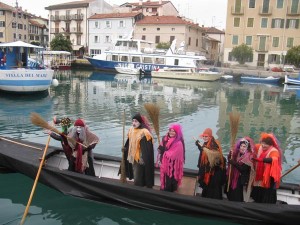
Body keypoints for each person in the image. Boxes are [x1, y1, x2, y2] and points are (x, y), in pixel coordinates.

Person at [123, 113, 154, 188]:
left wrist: (142, 158)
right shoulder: (131, 130)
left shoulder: (144, 132)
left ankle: (138, 189)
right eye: (133, 121)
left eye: (136, 121)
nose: (134, 123)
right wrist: (125, 149)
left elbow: (146, 148)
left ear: (140, 122)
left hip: (139, 158)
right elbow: (129, 142)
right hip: (131, 156)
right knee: (135, 174)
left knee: (138, 177)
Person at [251, 133, 282, 203]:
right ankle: (257, 200)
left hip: (269, 176)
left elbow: (273, 159)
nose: (263, 145)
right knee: (258, 187)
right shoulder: (259, 147)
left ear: (271, 145)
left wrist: (261, 160)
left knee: (267, 191)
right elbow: (251, 147)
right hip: (259, 174)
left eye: (266, 144)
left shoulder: (274, 151)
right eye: (262, 143)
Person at [195, 128, 226, 199]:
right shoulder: (206, 143)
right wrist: (199, 146)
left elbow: (216, 158)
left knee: (213, 188)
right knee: (207, 186)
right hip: (209, 170)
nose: (205, 138)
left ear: (210, 136)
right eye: (204, 136)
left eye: (206, 136)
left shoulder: (214, 144)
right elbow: (204, 152)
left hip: (214, 172)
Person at [225, 137, 255, 202]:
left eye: (244, 146)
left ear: (247, 147)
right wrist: (230, 155)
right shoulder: (238, 153)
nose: (242, 148)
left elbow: (243, 169)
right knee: (231, 192)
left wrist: (234, 163)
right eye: (241, 146)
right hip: (234, 176)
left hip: (241, 178)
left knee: (237, 194)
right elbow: (230, 159)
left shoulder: (249, 157)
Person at [157, 123, 185, 192]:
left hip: (173, 164)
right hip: (164, 162)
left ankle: (170, 191)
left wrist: (164, 153)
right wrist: (159, 149)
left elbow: (173, 154)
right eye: (170, 130)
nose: (171, 132)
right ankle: (164, 188)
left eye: (173, 131)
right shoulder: (165, 138)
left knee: (171, 177)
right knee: (164, 177)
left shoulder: (178, 142)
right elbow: (161, 149)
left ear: (176, 132)